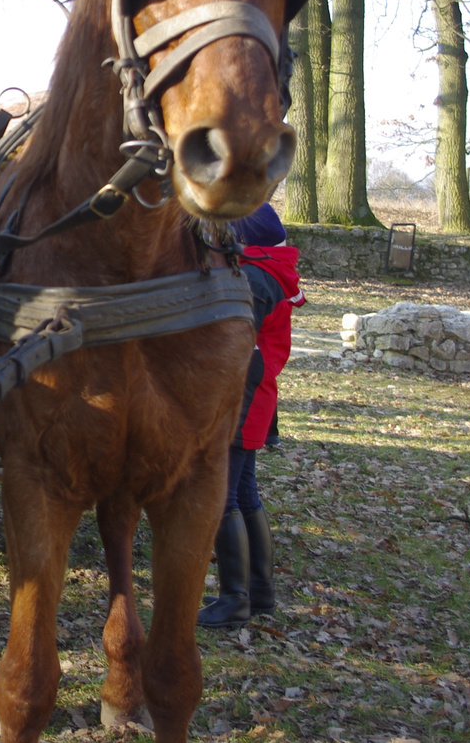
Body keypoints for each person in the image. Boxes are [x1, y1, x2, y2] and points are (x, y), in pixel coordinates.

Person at [199, 202, 303, 628]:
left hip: (242, 394)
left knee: (222, 498)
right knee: (244, 494)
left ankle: (234, 599)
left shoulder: (257, 278)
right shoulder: (267, 270)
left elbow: (230, 338)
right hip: (253, 393)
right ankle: (258, 594)